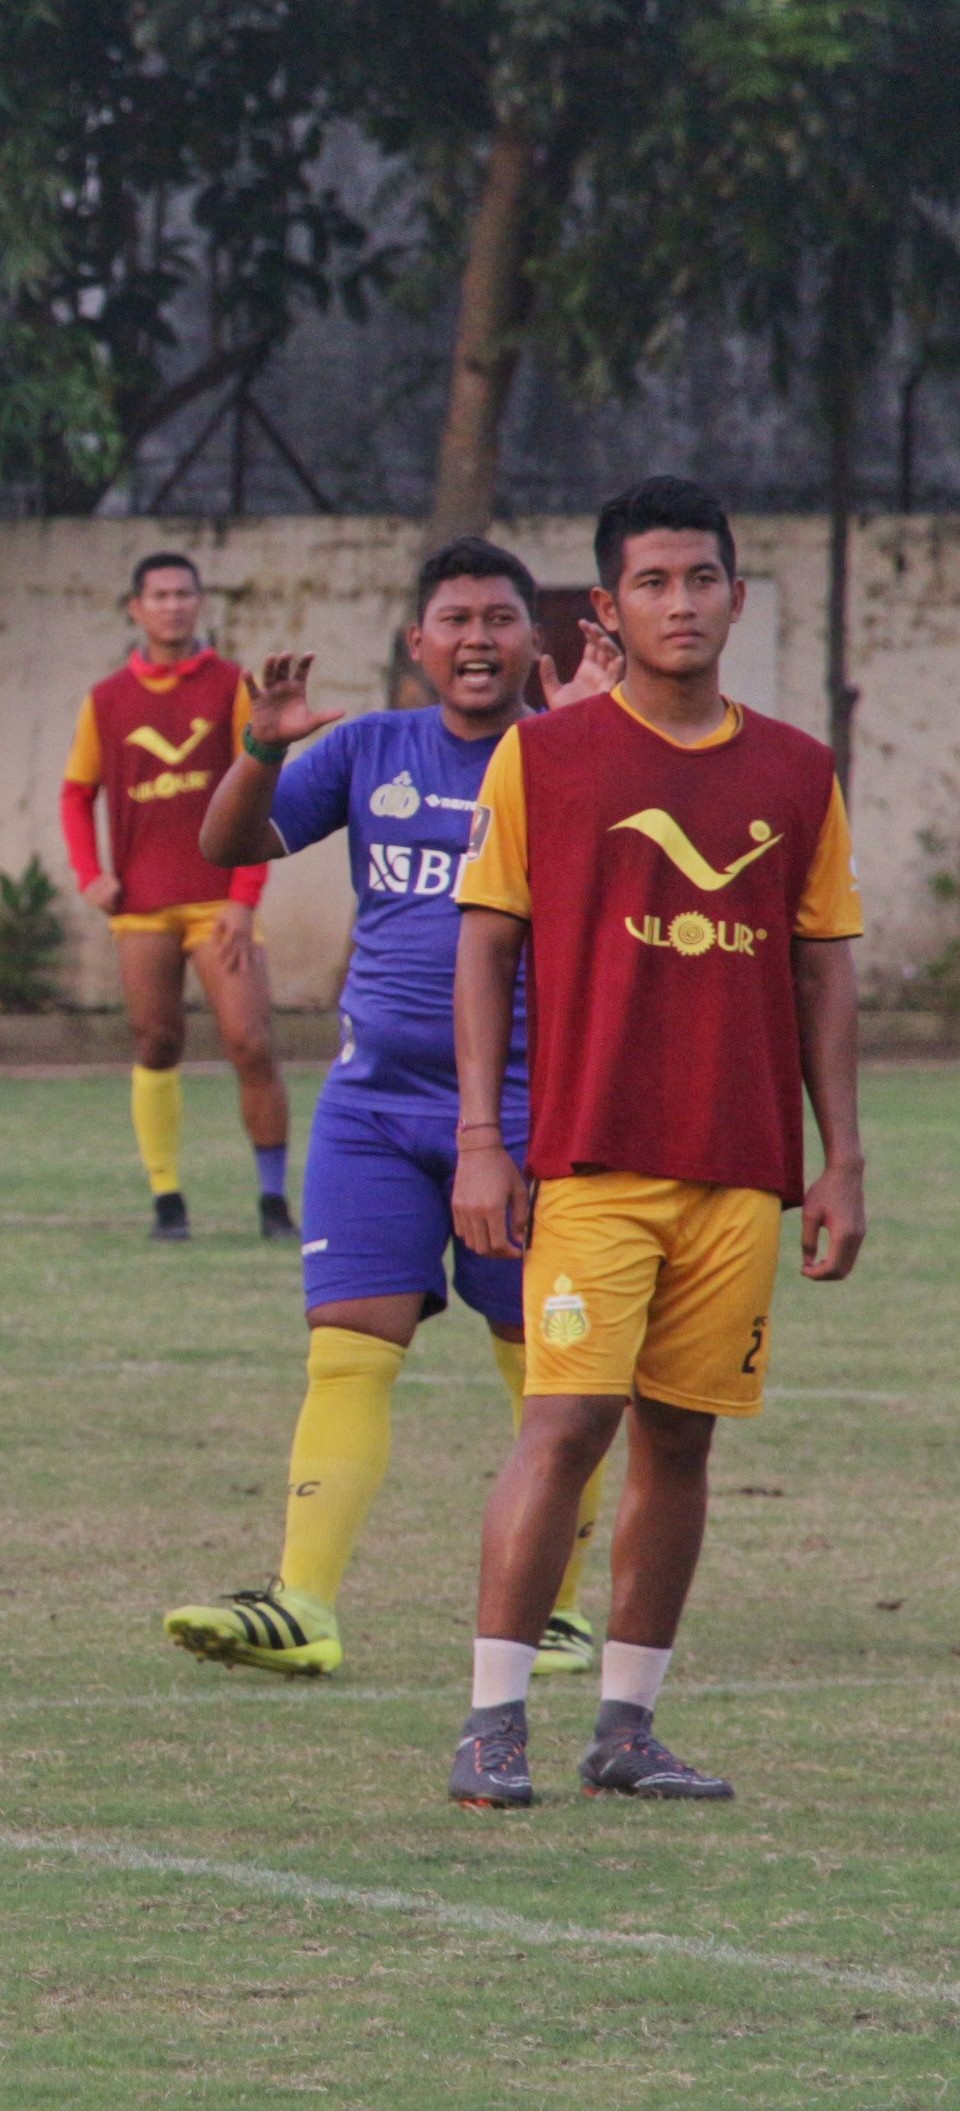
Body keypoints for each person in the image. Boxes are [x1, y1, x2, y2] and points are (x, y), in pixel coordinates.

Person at [445, 476, 864, 1809]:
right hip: (592, 1161)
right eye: (653, 582)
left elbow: (822, 971)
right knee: (564, 1422)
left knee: (683, 1441)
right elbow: (486, 946)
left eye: (702, 579)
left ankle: (627, 1727)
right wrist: (480, 1138)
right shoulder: (548, 759)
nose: (681, 603)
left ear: (737, 595)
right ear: (609, 609)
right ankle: (492, 1724)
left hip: (741, 1168)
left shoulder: (799, 770)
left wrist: (838, 1157)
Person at [159, 538, 617, 1679]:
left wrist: (593, 744)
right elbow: (226, 843)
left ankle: (556, 1606)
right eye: (455, 619)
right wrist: (261, 749)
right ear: (417, 645)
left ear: (535, 640)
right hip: (373, 1105)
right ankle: (303, 1602)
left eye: (501, 619)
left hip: (527, 1112)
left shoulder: (570, 755)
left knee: (547, 1366)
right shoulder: (369, 748)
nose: (478, 639)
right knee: (348, 1352)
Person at [61, 551, 294, 1241]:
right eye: (158, 595)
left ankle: (274, 1202)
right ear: (136, 609)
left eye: (183, 594)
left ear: (199, 604)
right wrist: (89, 874)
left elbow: (263, 787)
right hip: (142, 907)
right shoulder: (106, 700)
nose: (172, 606)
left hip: (218, 902)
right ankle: (168, 1200)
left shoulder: (232, 687)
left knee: (250, 1041)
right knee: (156, 1041)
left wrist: (245, 894)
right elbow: (77, 793)